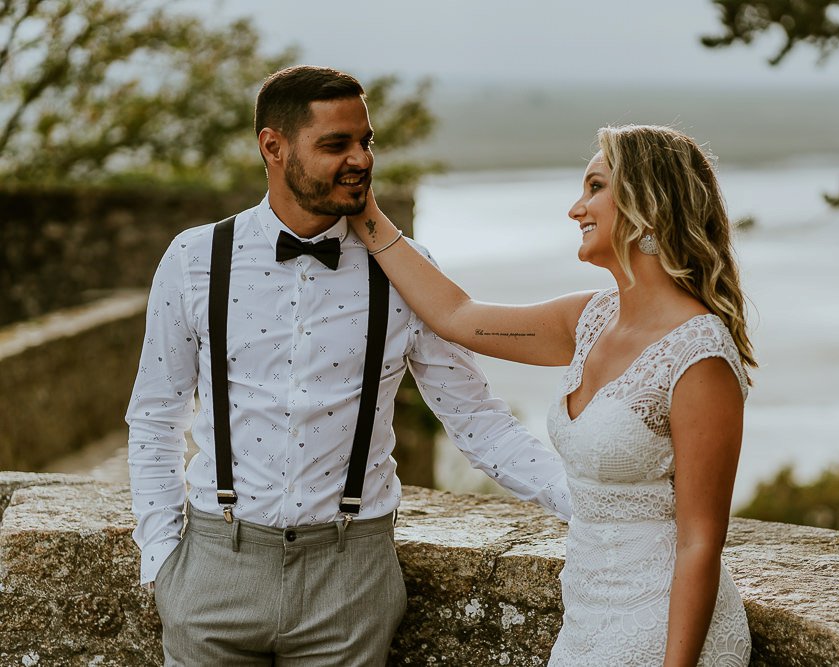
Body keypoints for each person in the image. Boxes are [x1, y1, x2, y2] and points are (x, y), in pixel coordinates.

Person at [126, 65, 571, 666]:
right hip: (214, 569)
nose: (359, 159)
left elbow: (477, 421)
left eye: (365, 142)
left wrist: (591, 500)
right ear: (274, 147)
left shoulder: (406, 268)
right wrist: (162, 561)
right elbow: (155, 415)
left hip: (351, 579)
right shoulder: (196, 258)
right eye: (335, 145)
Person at [347, 123, 756, 666]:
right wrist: (366, 215)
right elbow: (456, 317)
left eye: (594, 188)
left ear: (649, 205)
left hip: (661, 627)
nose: (575, 209)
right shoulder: (588, 319)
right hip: (586, 618)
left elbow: (701, 541)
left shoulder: (699, 353)